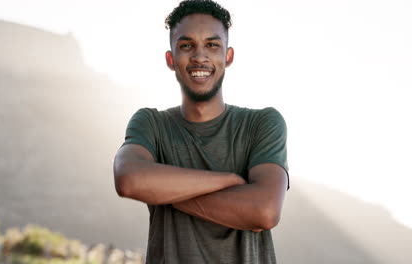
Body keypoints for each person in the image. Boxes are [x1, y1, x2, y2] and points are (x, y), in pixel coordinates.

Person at [113, 0, 289, 263]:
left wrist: (164, 193)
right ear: (171, 59)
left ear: (228, 56)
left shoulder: (262, 123)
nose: (199, 56)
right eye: (186, 46)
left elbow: (264, 211)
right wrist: (230, 180)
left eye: (212, 45)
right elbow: (129, 181)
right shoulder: (151, 124)